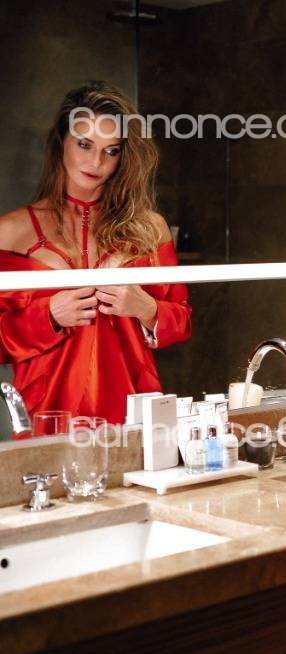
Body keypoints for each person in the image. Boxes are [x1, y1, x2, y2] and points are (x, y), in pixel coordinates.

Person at [0, 81, 191, 423]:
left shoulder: (150, 228)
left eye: (111, 150)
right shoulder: (11, 232)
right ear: (61, 141)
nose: (96, 161)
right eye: (84, 144)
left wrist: (146, 308)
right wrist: (48, 316)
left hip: (135, 413)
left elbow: (182, 321)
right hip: (48, 415)